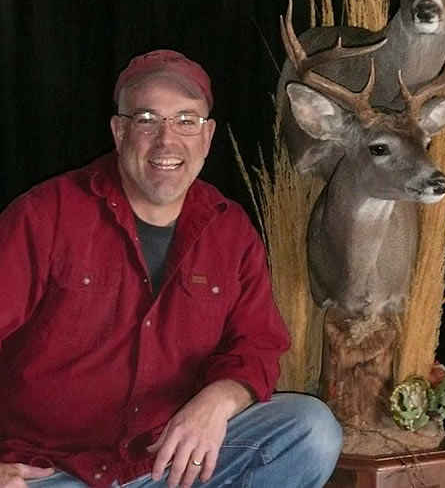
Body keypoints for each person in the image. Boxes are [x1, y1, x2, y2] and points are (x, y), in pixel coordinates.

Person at [0, 49, 342, 488]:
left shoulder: (229, 229)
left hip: (168, 465)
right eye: (147, 119)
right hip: (52, 474)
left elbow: (256, 347)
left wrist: (218, 400)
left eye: (186, 120)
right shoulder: (43, 216)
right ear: (119, 131)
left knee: (308, 428)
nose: (167, 140)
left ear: (207, 135)